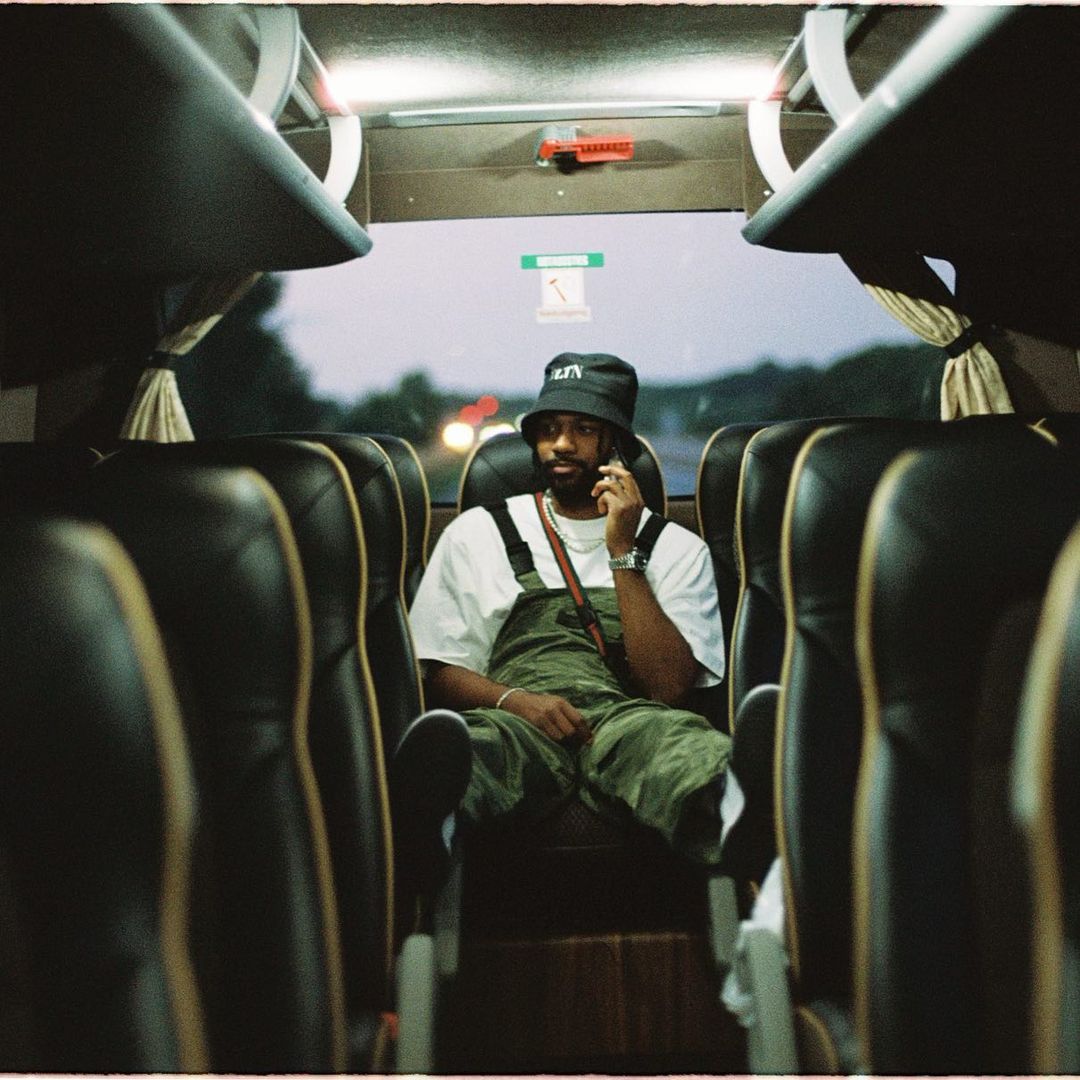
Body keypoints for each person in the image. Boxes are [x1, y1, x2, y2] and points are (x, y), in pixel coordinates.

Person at [396, 352, 746, 877]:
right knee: (474, 749)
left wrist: (623, 551)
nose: (561, 444)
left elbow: (668, 689)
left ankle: (746, 810)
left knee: (680, 749)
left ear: (616, 446)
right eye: (549, 429)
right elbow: (440, 668)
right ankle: (428, 835)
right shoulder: (478, 532)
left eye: (583, 429)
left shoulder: (674, 547)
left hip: (630, 721)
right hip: (516, 720)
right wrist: (516, 701)